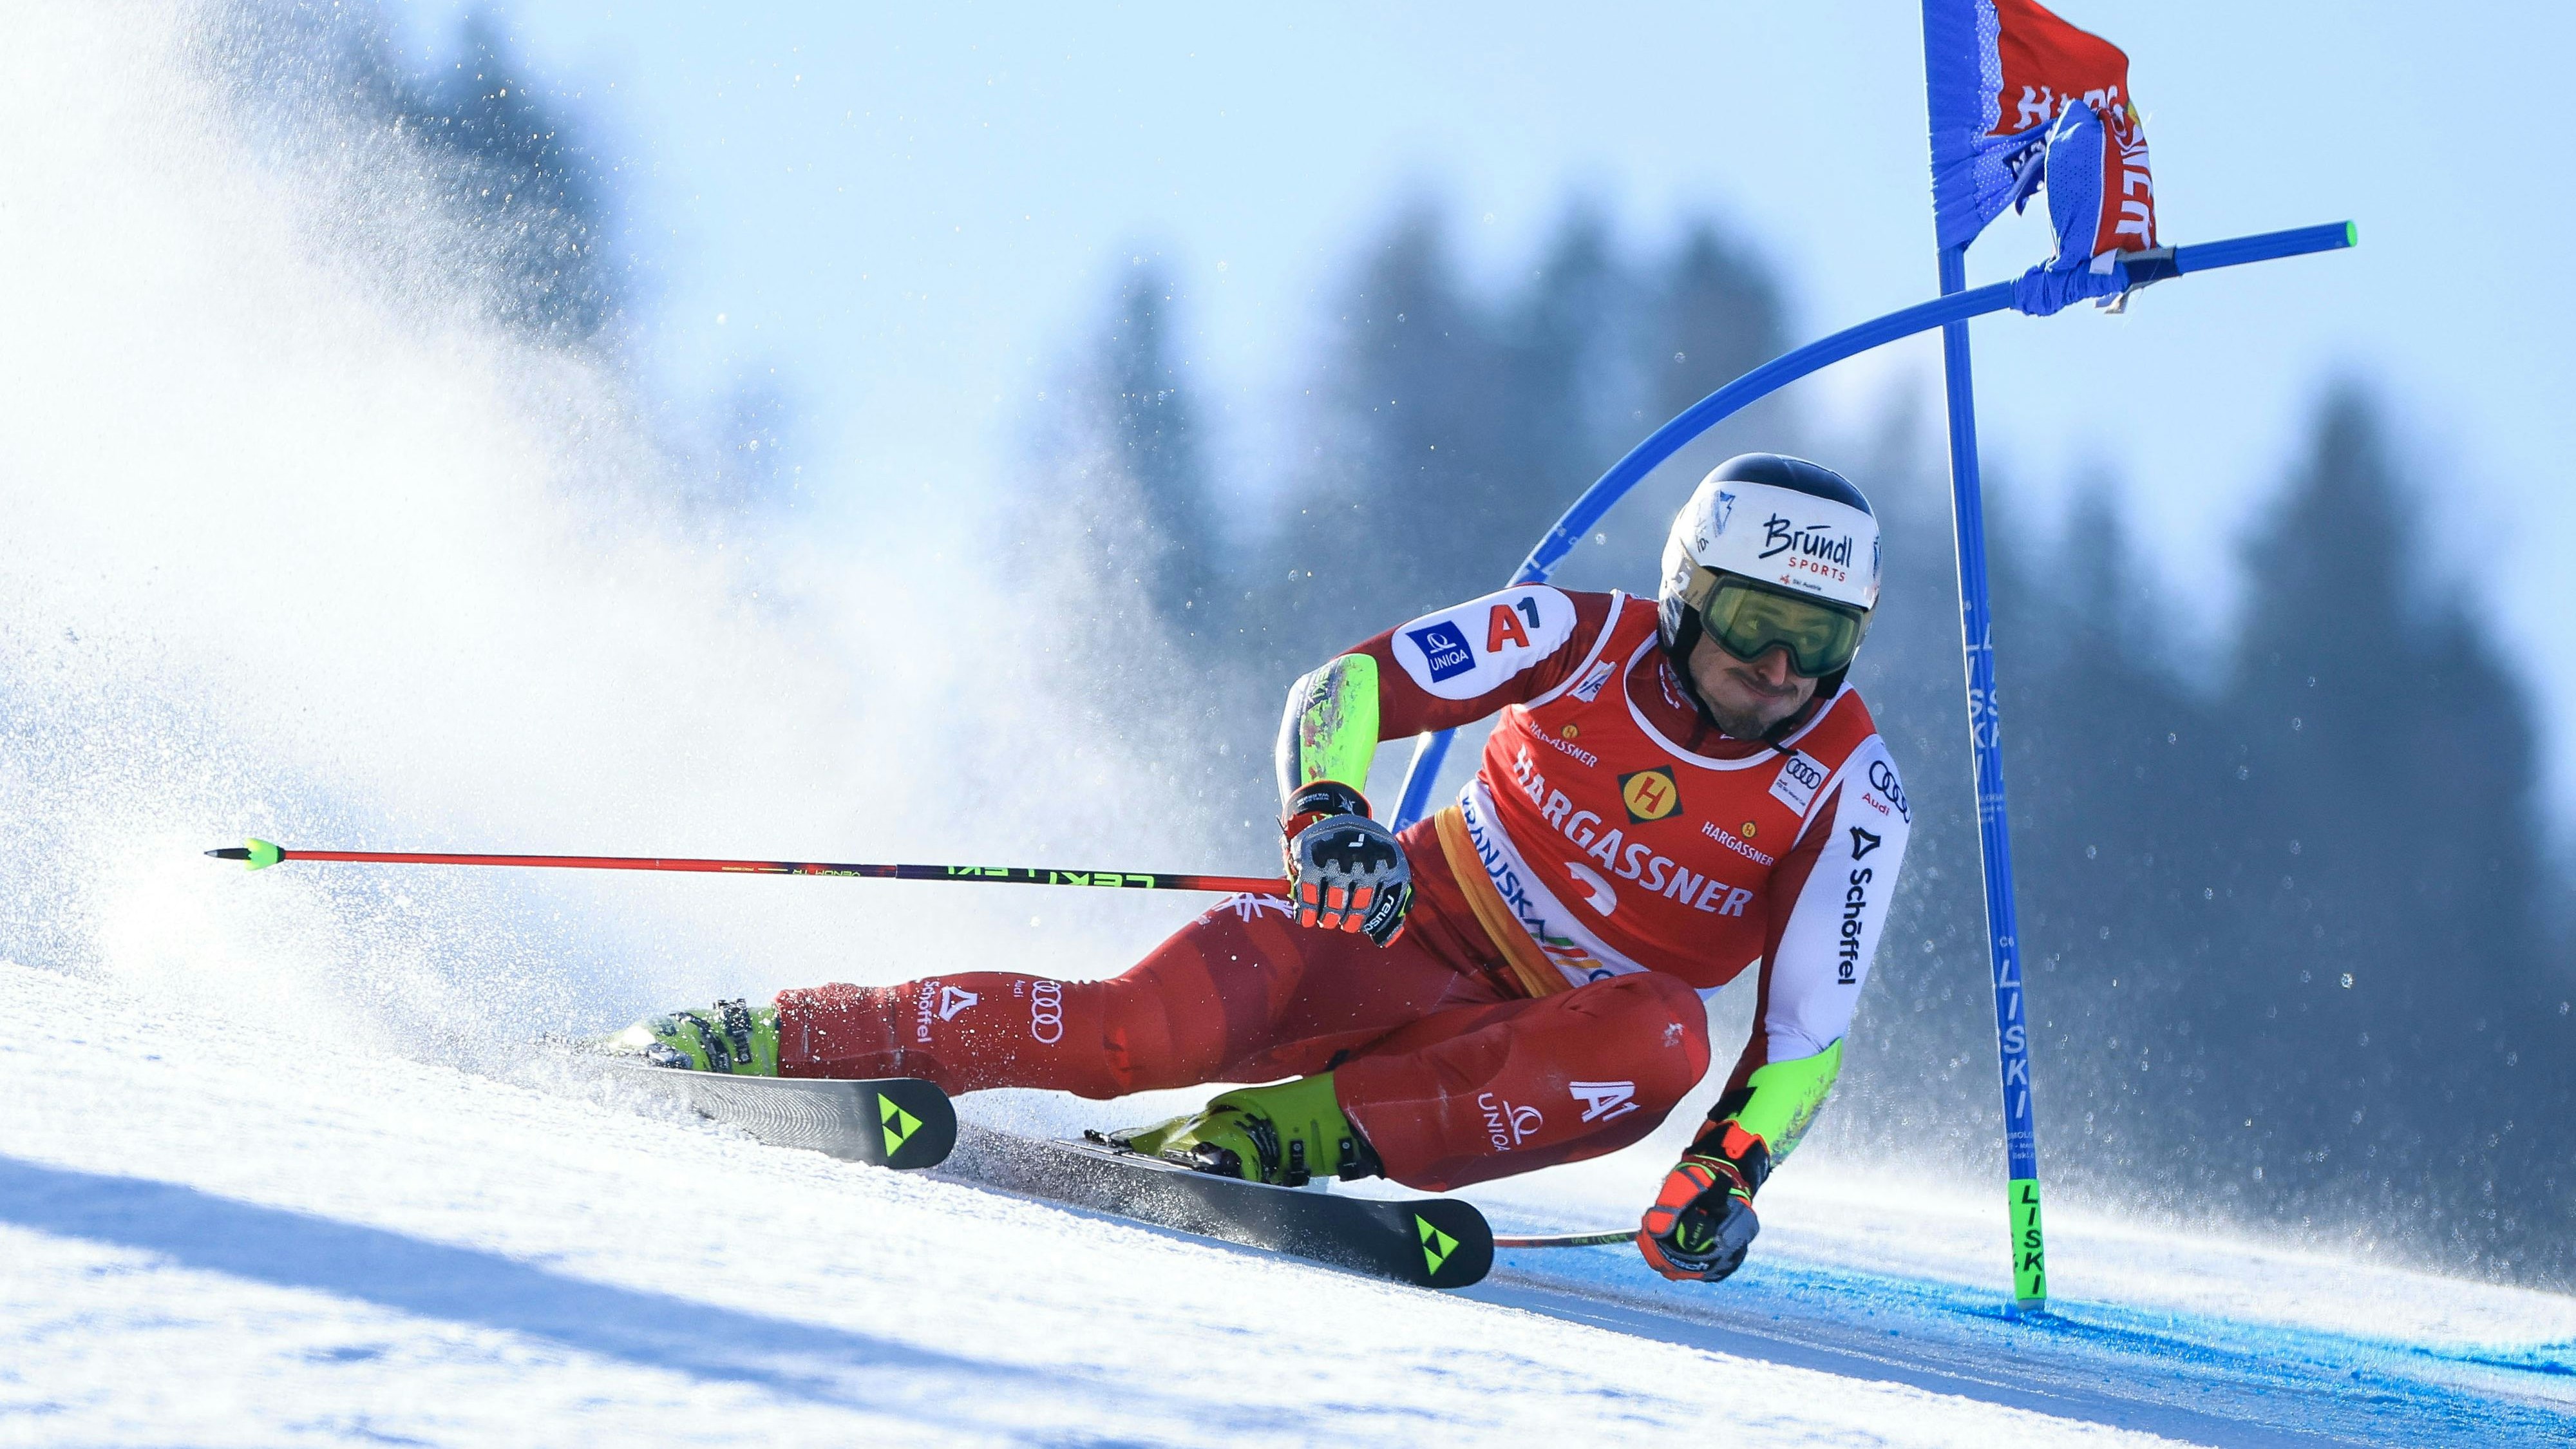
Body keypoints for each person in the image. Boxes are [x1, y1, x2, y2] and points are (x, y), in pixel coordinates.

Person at [617, 453, 1911, 1283]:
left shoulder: (1852, 790)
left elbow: (1806, 1032)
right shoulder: (1572, 635)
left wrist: (1725, 1172)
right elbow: (1350, 684)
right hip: (1391, 931)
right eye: (1755, 621)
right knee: (1126, 1033)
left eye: (1819, 640)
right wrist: (1330, 809)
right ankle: (765, 1035)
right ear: (1686, 591)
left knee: (1667, 1035)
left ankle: (1258, 1141)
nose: (1779, 670)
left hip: (1538, 1044)